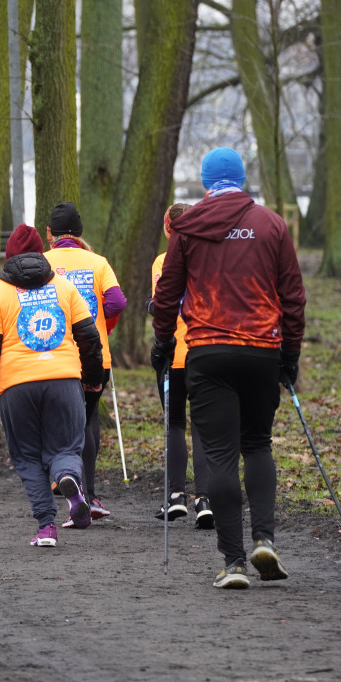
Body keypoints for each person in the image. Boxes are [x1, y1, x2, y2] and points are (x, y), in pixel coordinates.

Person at [152, 147, 305, 589]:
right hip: (261, 350)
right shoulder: (271, 223)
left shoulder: (186, 227)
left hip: (208, 352)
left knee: (218, 454)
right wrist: (290, 355)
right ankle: (265, 540)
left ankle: (234, 562)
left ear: (205, 183)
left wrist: (163, 343)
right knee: (257, 444)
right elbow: (292, 296)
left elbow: (167, 295)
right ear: (242, 180)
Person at [0, 223, 105, 546]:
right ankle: (68, 481)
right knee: (66, 448)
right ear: (42, 253)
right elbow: (89, 338)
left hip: (16, 385)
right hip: (63, 379)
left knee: (28, 457)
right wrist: (92, 380)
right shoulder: (64, 287)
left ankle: (46, 527)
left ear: (9, 256)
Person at [43, 203, 126, 526]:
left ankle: (68, 486)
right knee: (89, 420)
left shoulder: (42, 263)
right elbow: (117, 300)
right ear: (79, 233)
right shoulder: (97, 262)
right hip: (94, 356)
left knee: (62, 425)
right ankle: (90, 494)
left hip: (56, 355)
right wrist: (101, 324)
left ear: (50, 234)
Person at [147, 203, 213, 529]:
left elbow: (162, 304)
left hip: (173, 354)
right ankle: (205, 499)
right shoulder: (210, 260)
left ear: (167, 228)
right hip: (204, 354)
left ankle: (175, 497)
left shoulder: (162, 261)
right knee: (202, 427)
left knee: (175, 425)